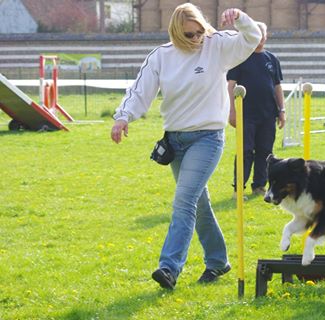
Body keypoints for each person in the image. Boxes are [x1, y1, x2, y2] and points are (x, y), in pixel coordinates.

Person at [110, 3, 261, 290]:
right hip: (175, 140)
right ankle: (218, 261)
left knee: (184, 201)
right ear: (176, 34)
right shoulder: (161, 56)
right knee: (198, 204)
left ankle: (169, 267)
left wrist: (240, 19)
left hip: (208, 138)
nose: (196, 39)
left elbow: (251, 40)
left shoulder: (216, 44)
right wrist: (122, 117)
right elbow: (140, 91)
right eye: (189, 35)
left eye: (199, 32)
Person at [227, 22, 285, 198]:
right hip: (246, 114)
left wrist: (282, 110)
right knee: (245, 150)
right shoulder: (240, 58)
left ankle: (260, 186)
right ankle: (238, 189)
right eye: (256, 34)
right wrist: (232, 111)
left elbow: (277, 86)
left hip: (268, 114)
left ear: (266, 36)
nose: (259, 38)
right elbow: (230, 86)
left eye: (262, 34)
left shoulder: (271, 59)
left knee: (265, 151)